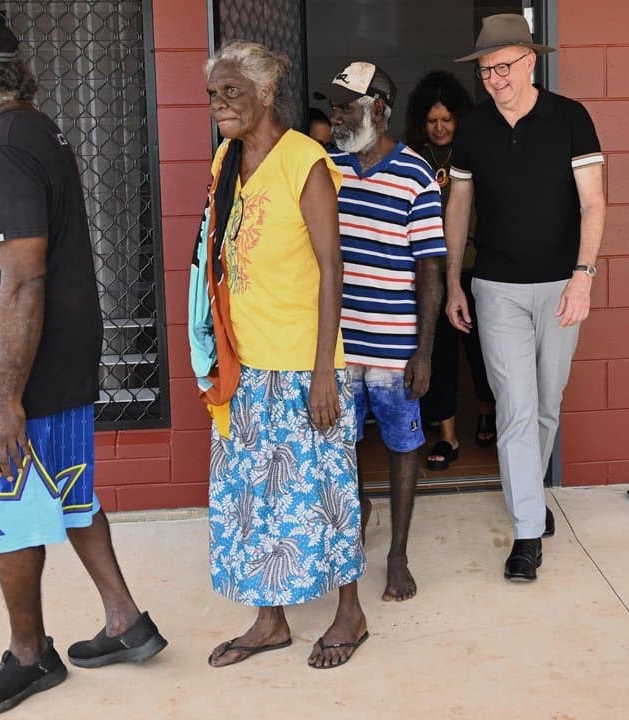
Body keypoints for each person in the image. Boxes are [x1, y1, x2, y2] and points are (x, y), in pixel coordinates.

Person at [0, 14, 167, 717]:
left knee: (11, 509)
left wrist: (5, 399)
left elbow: (22, 281)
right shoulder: (37, 129)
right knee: (70, 491)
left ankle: (27, 655)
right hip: (64, 358)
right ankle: (126, 621)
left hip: (23, 370)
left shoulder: (1, 152)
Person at [196, 41, 368, 670]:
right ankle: (270, 621)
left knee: (325, 491)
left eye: (232, 91)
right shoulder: (225, 160)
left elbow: (332, 269)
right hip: (245, 363)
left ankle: (350, 613)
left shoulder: (306, 161)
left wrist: (325, 370)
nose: (219, 104)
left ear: (266, 93)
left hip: (301, 363)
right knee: (255, 498)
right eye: (214, 93)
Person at [446, 14, 606, 582]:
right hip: (496, 288)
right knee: (514, 405)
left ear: (531, 60)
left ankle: (530, 500)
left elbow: (593, 204)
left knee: (546, 402)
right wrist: (452, 282)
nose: (494, 78)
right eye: (486, 70)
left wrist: (583, 276)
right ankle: (526, 534)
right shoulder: (472, 129)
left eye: (504, 66)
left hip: (563, 286)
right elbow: (459, 207)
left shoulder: (571, 119)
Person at [323, 62, 446, 602]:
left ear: (377, 108)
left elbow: (431, 272)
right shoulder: (327, 169)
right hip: (341, 344)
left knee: (402, 445)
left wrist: (424, 352)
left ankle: (397, 554)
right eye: (333, 105)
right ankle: (357, 517)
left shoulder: (417, 174)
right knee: (339, 445)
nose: (335, 115)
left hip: (395, 346)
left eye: (345, 105)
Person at [404, 71, 496, 473]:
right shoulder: (412, 159)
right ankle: (448, 435)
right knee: (436, 354)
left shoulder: (477, 150)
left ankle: (487, 410)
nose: (439, 128)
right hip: (430, 274)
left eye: (447, 120)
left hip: (477, 267)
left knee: (482, 351)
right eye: (431, 121)